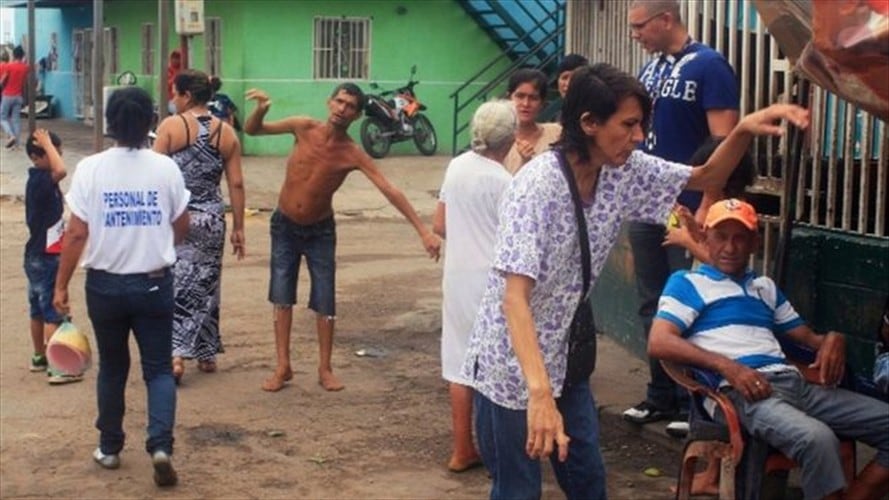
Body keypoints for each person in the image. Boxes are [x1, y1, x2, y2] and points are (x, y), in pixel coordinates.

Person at [460, 63, 809, 500]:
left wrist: (742, 130)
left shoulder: (623, 170)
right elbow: (515, 300)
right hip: (511, 363)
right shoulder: (536, 188)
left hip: (566, 356)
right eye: (629, 125)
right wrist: (540, 393)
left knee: (588, 480)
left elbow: (706, 177)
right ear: (589, 123)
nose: (639, 136)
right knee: (518, 490)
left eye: (641, 124)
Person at [649, 198, 889, 500]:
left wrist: (834, 339)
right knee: (818, 440)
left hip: (795, 385)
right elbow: (659, 341)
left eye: (740, 238)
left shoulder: (764, 287)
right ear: (705, 237)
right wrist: (729, 367)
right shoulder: (687, 283)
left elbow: (809, 338)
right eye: (721, 236)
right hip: (742, 392)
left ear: (755, 243)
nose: (730, 247)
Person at [243, 82, 441, 393]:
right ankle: (283, 366)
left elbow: (389, 189)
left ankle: (325, 368)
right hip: (284, 225)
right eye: (339, 102)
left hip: (320, 231)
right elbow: (253, 130)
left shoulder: (352, 153)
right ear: (329, 102)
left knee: (325, 298)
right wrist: (261, 110)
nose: (342, 109)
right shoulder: (303, 127)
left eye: (350, 106)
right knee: (281, 294)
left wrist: (423, 230)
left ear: (357, 115)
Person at [53, 86, 190, 488]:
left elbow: (76, 234)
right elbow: (182, 224)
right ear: (150, 121)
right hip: (154, 283)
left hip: (104, 287)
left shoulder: (90, 169)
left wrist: (61, 285)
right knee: (159, 369)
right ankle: (160, 446)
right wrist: (157, 244)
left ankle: (110, 447)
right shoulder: (165, 169)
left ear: (109, 122)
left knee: (113, 367)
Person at [623, 0, 741, 429]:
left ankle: (696, 401)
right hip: (648, 204)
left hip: (688, 206)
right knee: (650, 301)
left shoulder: (709, 66)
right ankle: (661, 395)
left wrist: (709, 202)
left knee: (688, 303)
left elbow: (723, 144)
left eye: (639, 26)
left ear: (666, 19)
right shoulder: (650, 69)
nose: (634, 34)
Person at [432, 100, 516, 473]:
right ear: (510, 139)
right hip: (494, 281)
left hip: (458, 275)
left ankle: (462, 449)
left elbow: (440, 225)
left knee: (460, 364)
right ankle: (501, 451)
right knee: (497, 366)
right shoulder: (505, 182)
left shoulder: (457, 166)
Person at [154, 69, 245, 383]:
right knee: (206, 284)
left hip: (176, 218)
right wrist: (239, 228)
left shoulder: (171, 126)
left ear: (187, 95)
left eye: (175, 93)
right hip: (211, 219)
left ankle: (175, 354)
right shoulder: (226, 132)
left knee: (175, 284)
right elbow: (236, 183)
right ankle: (205, 352)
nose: (172, 99)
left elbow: (153, 173)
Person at [23, 129, 80, 384]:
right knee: (51, 311)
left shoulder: (42, 180)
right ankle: (58, 367)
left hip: (38, 253)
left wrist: (49, 146)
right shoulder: (40, 180)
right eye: (53, 153)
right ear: (36, 157)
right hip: (45, 256)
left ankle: (39, 356)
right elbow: (62, 170)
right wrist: (46, 143)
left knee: (37, 309)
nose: (59, 156)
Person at [502, 68, 561, 175]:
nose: (526, 104)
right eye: (520, 96)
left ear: (542, 103)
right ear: (509, 98)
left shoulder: (557, 133)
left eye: (533, 98)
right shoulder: (498, 140)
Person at [1, 46, 29, 149]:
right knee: (16, 120)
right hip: (18, 96)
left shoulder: (9, 66)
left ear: (13, 55)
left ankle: (11, 135)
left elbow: (3, 80)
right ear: (22, 56)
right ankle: (17, 144)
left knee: (2, 118)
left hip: (7, 96)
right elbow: (26, 83)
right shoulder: (25, 67)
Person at [166, 49, 182, 114]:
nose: (175, 60)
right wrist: (175, 77)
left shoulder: (183, 68)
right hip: (170, 100)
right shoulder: (167, 70)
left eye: (177, 58)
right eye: (173, 58)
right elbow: (162, 86)